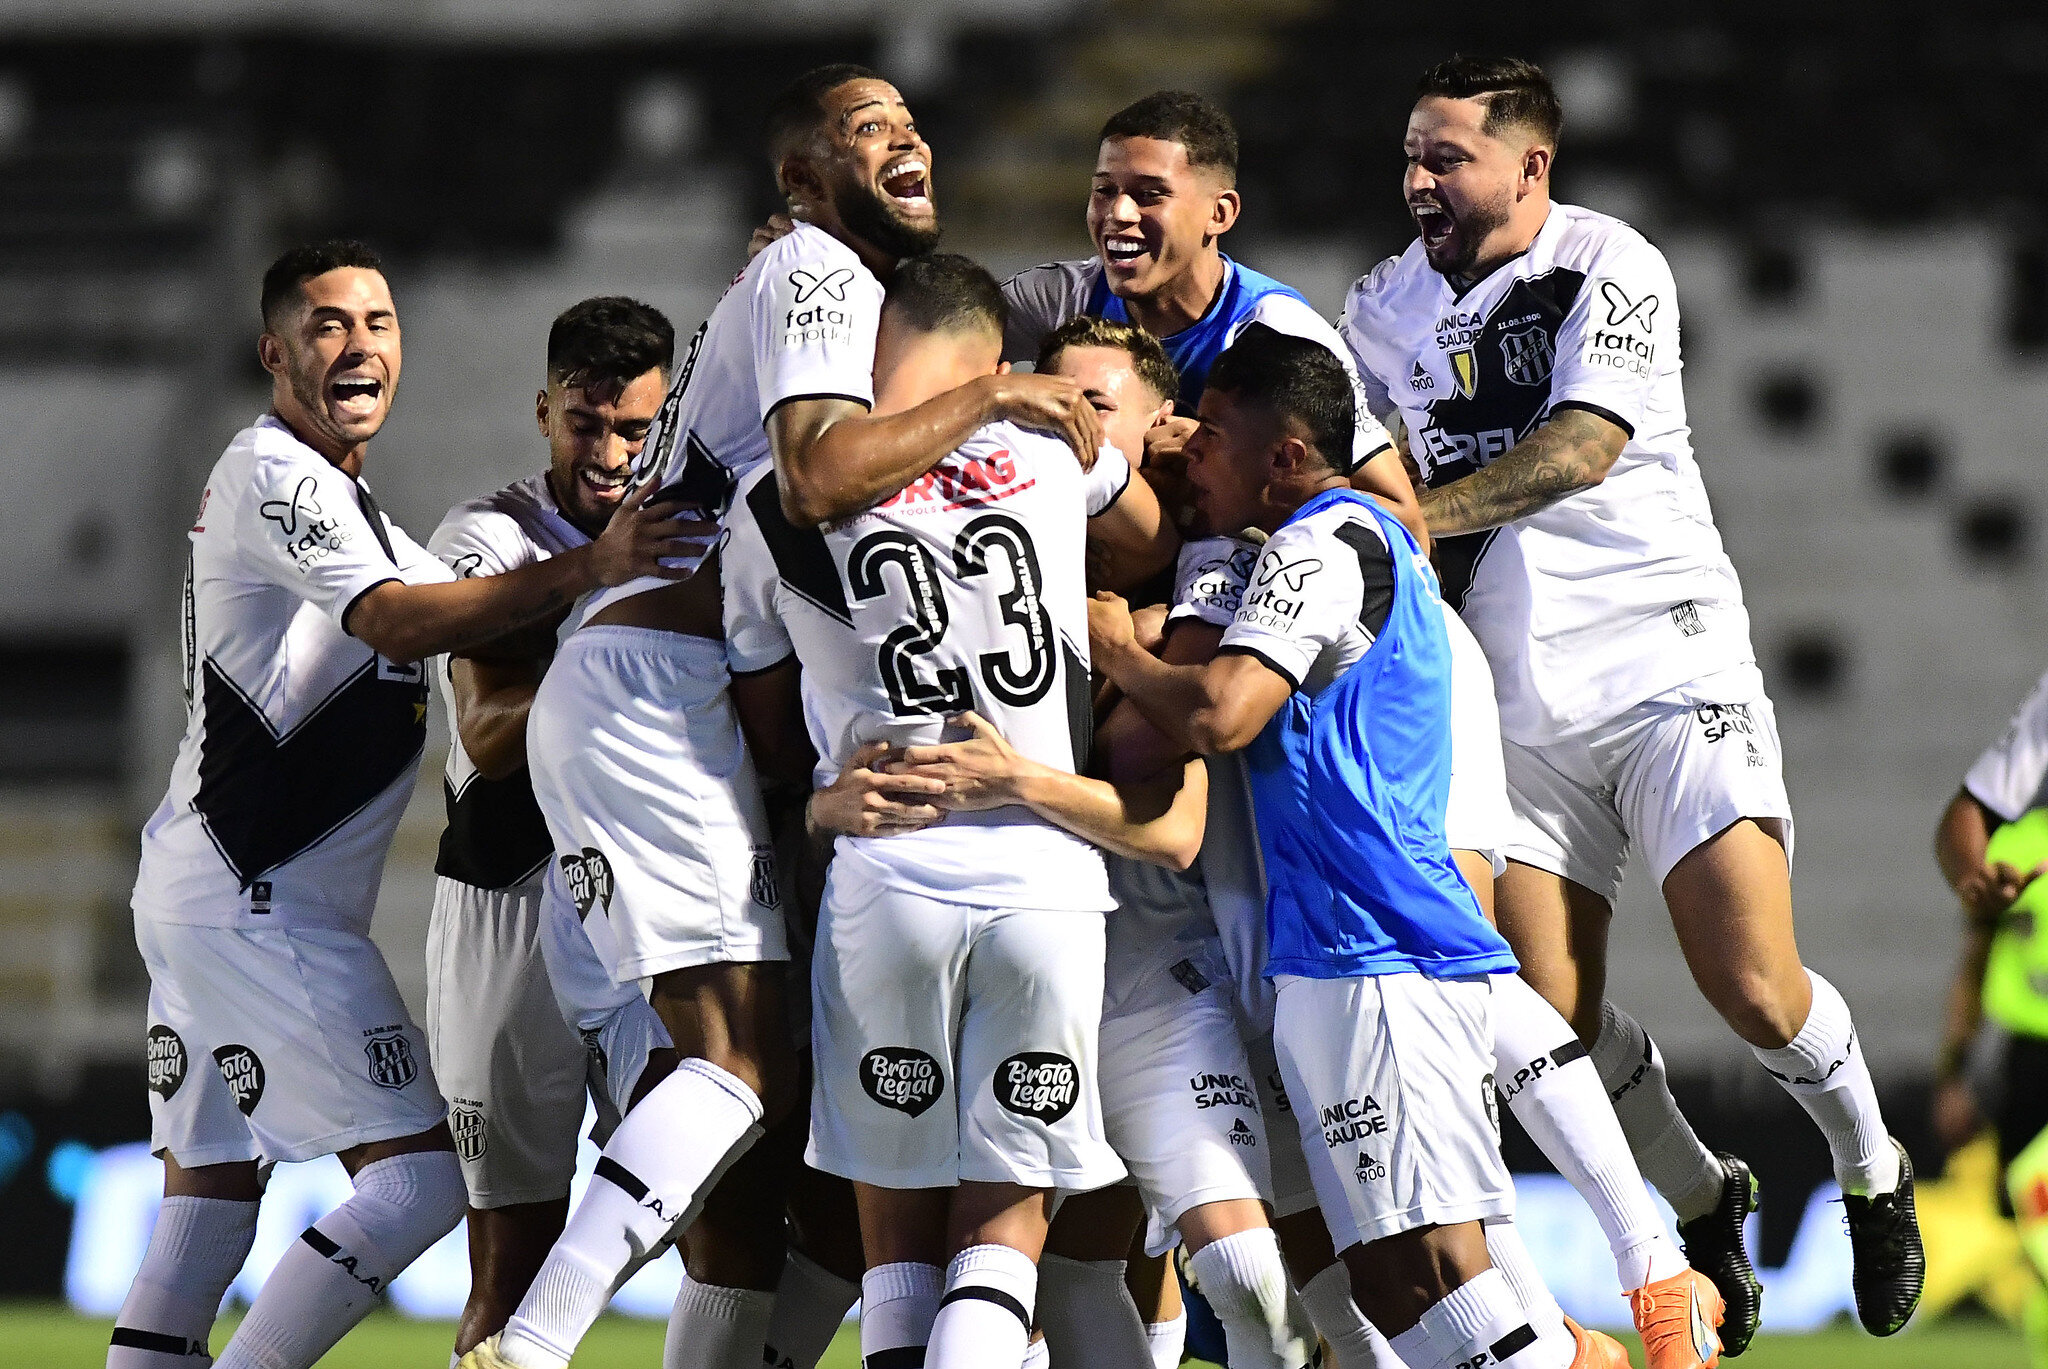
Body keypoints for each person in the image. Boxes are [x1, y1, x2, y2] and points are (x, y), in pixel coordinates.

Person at [465, 65, 1105, 1369]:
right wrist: (996, 397)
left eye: (916, 123)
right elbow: (814, 480)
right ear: (802, 184)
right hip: (660, 687)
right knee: (737, 1067)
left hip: (685, 698)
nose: (909, 140)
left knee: (771, 1169)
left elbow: (1006, 309)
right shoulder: (814, 273)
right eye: (869, 132)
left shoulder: (858, 299)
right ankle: (530, 1343)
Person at [1340, 54, 1924, 1345]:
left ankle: (1874, 1172)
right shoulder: (1375, 304)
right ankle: (1702, 1192)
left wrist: (1407, 523)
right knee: (1542, 1017)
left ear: (1530, 165)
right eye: (1410, 158)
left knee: (1755, 987)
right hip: (1508, 699)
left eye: (1447, 159)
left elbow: (1581, 445)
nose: (1419, 182)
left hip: (1666, 665)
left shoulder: (1614, 265)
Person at [113, 241, 701, 1369]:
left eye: (378, 322)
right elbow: (396, 621)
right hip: (259, 902)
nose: (359, 344)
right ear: (274, 352)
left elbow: (444, 607)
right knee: (420, 1184)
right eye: (328, 324)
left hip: (212, 895)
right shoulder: (273, 474)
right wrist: (591, 572)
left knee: (207, 1210)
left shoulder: (356, 512)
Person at [1087, 326, 1627, 1369]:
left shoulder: (1320, 544)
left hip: (1372, 948)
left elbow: (1222, 712)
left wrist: (1115, 651)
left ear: (1285, 456)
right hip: (1366, 950)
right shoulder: (1366, 546)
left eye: (1214, 438)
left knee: (1420, 1267)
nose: (1192, 453)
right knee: (1392, 1271)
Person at [722, 254, 1173, 1369]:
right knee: (1001, 1230)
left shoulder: (769, 497)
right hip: (1044, 879)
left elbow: (762, 722)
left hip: (886, 870)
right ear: (991, 354)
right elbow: (1155, 532)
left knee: (893, 1245)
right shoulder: (1050, 446)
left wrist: (824, 797)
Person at [896, 315, 1322, 1369]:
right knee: (1055, 1266)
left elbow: (1171, 825)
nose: (1059, 429)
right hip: (995, 953)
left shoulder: (1198, 573)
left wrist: (1020, 769)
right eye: (1046, 402)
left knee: (1243, 1273)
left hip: (1150, 975)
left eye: (1088, 409)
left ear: (1162, 433)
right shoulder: (979, 563)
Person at [421, 295, 678, 1356]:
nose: (611, 452)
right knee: (509, 1254)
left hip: (643, 911)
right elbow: (485, 732)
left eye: (635, 428)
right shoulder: (487, 538)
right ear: (543, 411)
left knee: (704, 1203)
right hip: (508, 901)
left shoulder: (692, 532)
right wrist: (645, 664)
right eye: (587, 423)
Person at [999, 90, 1423, 544]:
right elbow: (926, 364)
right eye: (1105, 190)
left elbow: (1405, 520)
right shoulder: (1060, 299)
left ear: (1219, 213)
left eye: (1149, 195)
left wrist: (1229, 463)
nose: (1118, 214)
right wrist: (996, 396)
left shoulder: (1278, 334)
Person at [1934, 666, 2048, 1366]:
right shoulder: (2015, 844)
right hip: (2029, 1054)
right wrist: (1955, 1069)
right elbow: (1973, 967)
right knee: (2028, 1201)